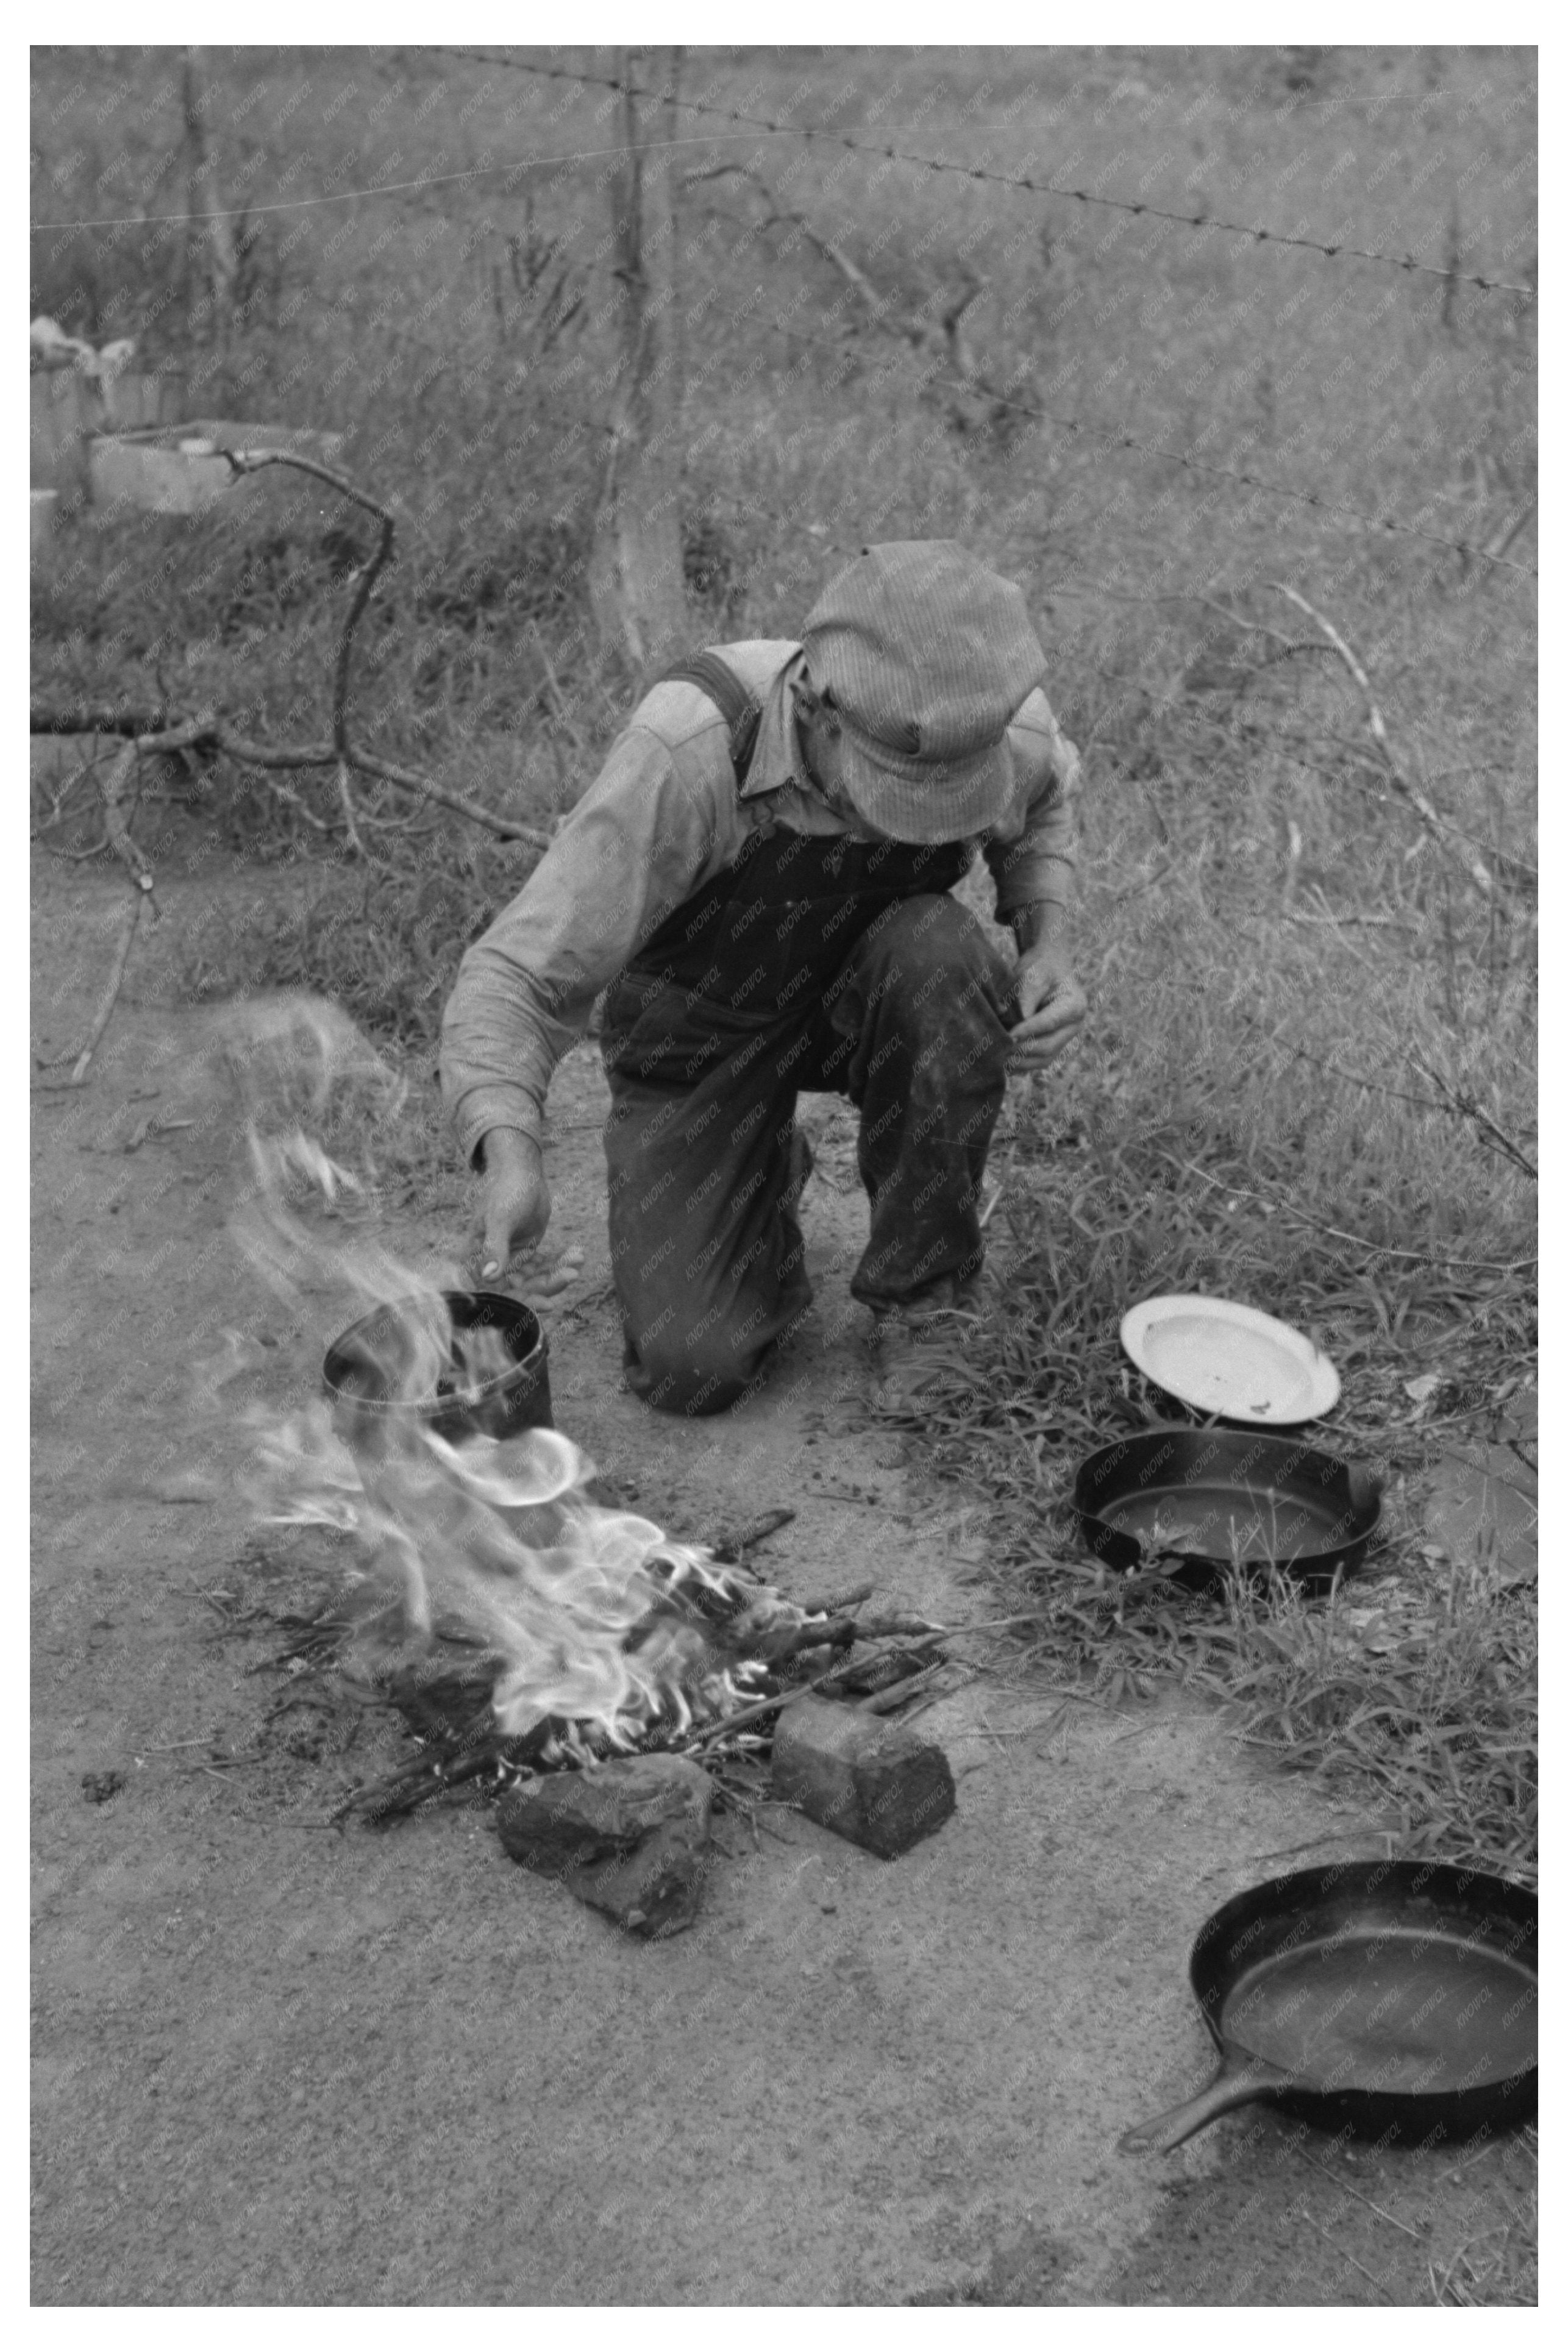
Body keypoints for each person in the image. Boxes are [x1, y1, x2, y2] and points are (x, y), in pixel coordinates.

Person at [440, 539, 1086, 1416]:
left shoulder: (989, 718)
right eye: (896, 796)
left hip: (869, 992)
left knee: (942, 954)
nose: (912, 825)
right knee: (689, 1366)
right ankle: (754, 1162)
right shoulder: (692, 746)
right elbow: (517, 972)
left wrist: (1045, 941)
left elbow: (1042, 806)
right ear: (821, 709)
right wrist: (511, 1150)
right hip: (702, 1026)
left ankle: (924, 1292)